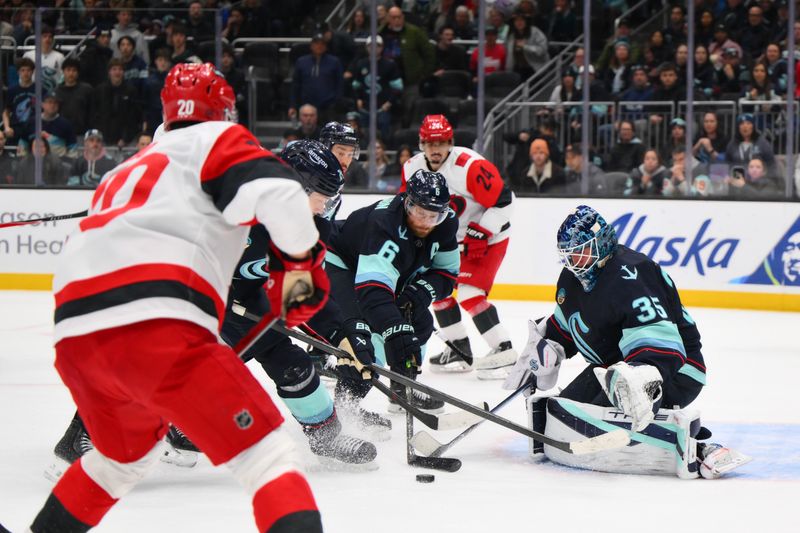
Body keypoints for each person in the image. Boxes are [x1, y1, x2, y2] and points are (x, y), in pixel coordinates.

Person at [22, 63, 326, 533]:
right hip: (158, 324)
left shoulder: (127, 166)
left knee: (118, 462)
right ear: (224, 112)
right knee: (269, 456)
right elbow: (283, 192)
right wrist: (301, 273)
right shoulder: (219, 141)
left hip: (75, 337)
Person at [503, 205, 751, 479]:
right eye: (569, 254)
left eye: (580, 251)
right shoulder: (571, 279)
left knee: (621, 395)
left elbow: (659, 338)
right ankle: (630, 401)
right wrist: (545, 349)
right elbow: (567, 324)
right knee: (566, 413)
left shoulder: (632, 273)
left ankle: (701, 448)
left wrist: (641, 376)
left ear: (601, 242)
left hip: (676, 370)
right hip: (614, 369)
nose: (574, 260)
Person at [221, 140, 379, 466]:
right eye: (323, 196)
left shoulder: (310, 228)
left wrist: (343, 337)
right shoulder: (237, 207)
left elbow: (304, 291)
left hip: (251, 305)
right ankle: (96, 432)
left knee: (295, 367)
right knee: (188, 378)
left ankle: (326, 438)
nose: (326, 206)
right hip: (206, 305)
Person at [325, 169, 458, 411]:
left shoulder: (447, 222)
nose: (426, 223)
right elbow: (373, 292)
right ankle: (345, 409)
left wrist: (423, 291)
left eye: (434, 216)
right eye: (420, 213)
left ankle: (401, 390)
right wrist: (395, 331)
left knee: (421, 323)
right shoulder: (384, 224)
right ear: (408, 203)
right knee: (364, 334)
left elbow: (447, 274)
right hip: (343, 264)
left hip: (388, 272)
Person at [402, 115, 517, 379]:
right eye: (430, 143)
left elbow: (505, 201)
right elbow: (406, 205)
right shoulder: (411, 167)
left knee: (469, 293)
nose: (435, 149)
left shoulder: (469, 166)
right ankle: (458, 348)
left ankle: (504, 349)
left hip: (487, 237)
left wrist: (483, 230)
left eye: (441, 142)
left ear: (451, 143)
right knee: (436, 290)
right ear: (421, 144)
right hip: (450, 239)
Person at [289, 32, 344, 122]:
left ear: (326, 46)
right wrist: (293, 105)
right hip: (307, 106)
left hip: (328, 106)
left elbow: (339, 84)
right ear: (311, 46)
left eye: (322, 44)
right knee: (308, 133)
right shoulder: (301, 62)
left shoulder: (334, 62)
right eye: (316, 43)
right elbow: (296, 85)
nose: (319, 46)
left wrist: (336, 103)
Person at [56, 57, 93, 136]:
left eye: (74, 70)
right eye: (68, 70)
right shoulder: (57, 91)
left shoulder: (86, 89)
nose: (71, 73)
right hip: (61, 133)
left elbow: (92, 112)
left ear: (78, 73)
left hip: (82, 133)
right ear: (63, 72)